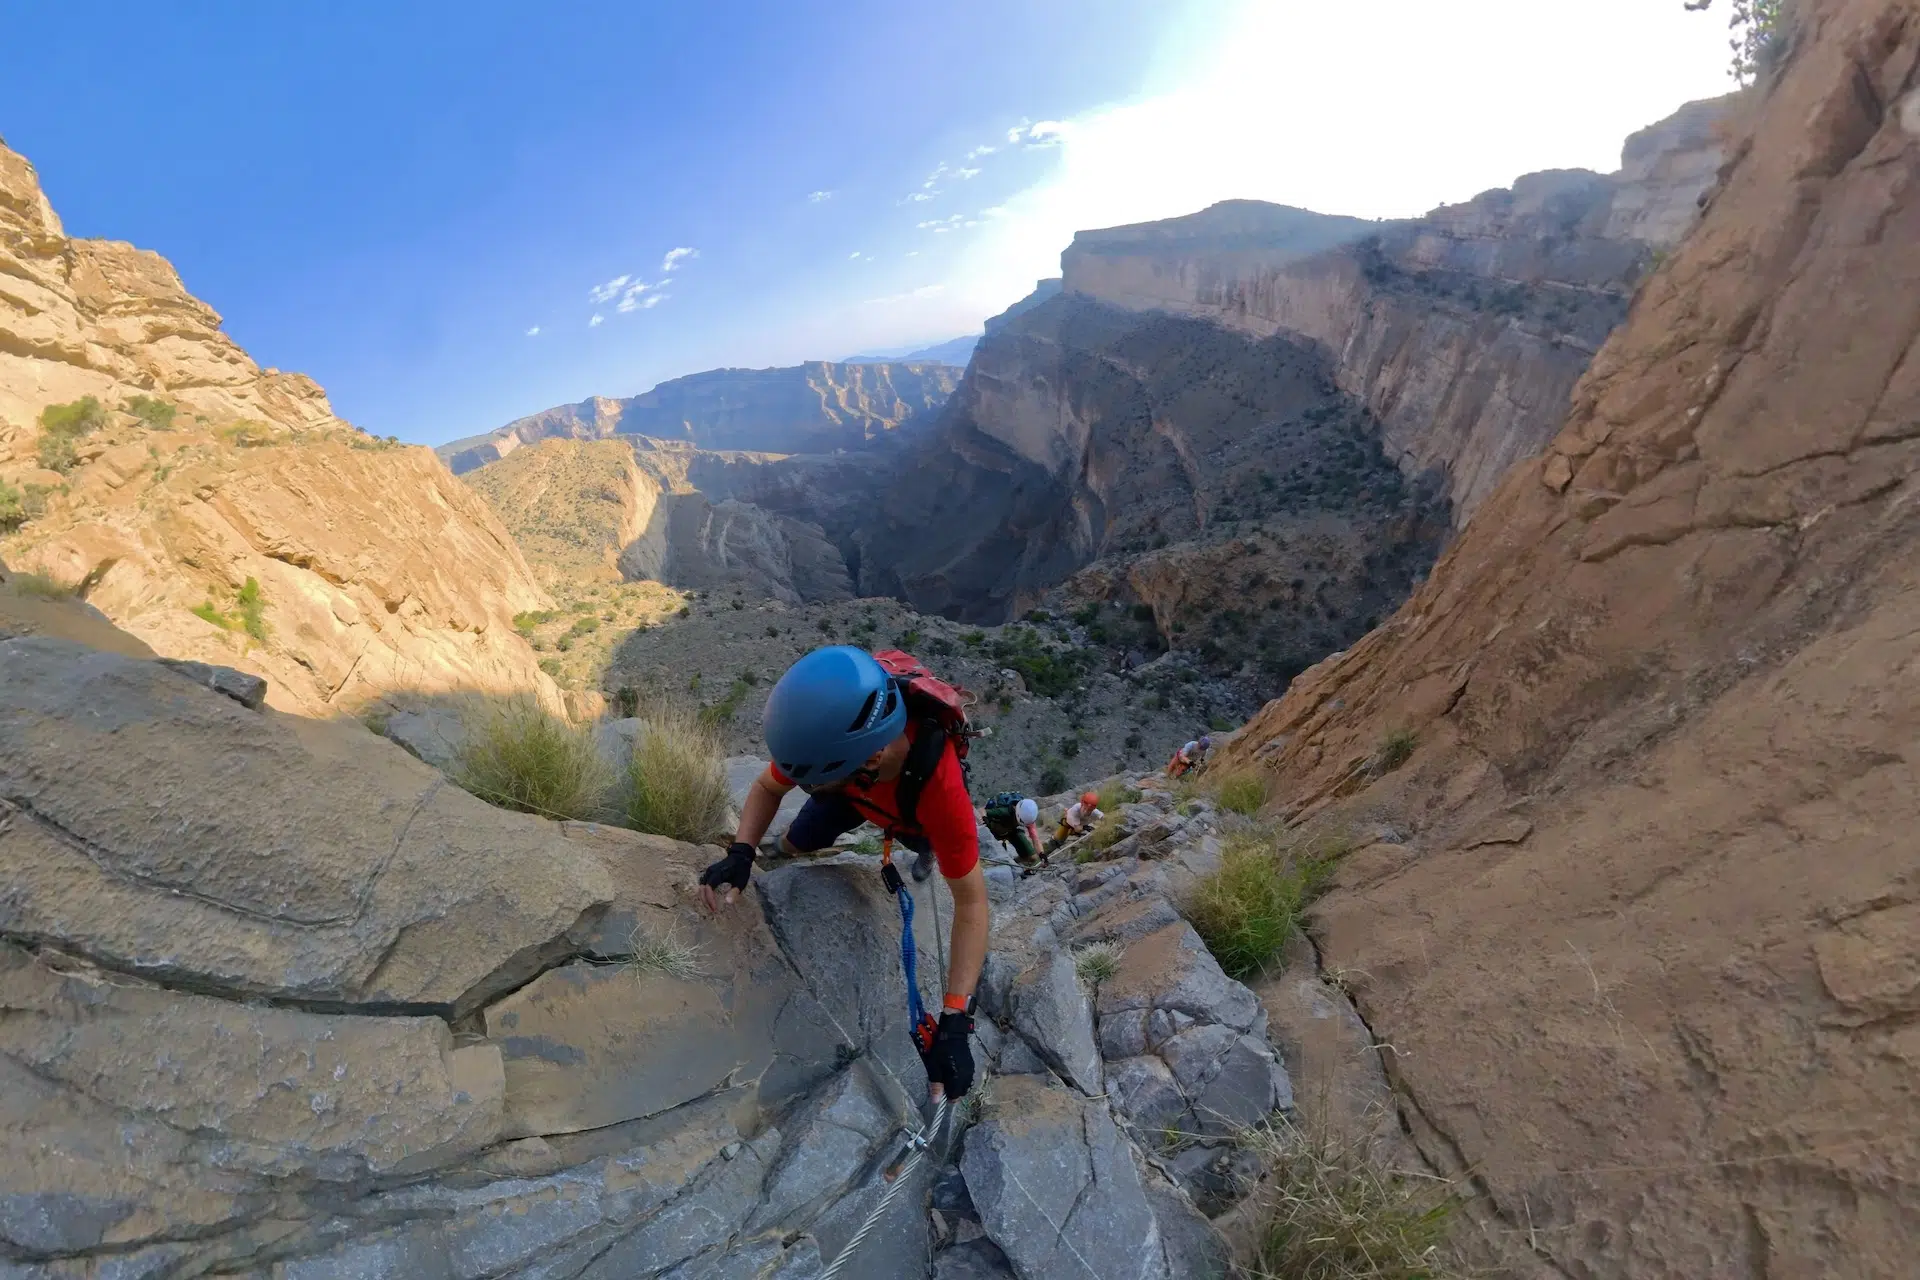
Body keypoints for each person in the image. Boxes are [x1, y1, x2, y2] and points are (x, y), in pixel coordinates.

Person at [697, 645, 986, 1102]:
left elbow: (971, 903)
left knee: (927, 843)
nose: (805, 789)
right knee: (803, 836)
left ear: (867, 761)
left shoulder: (941, 794)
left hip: (912, 815)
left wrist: (955, 1020)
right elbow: (767, 786)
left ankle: (927, 857)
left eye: (812, 784)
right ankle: (789, 849)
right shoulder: (838, 736)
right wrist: (742, 852)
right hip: (858, 798)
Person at [983, 792, 1044, 871]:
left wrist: (1042, 855)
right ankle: (1012, 864)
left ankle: (1014, 863)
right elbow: (982, 811)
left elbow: (1035, 840)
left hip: (1011, 832)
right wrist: (984, 818)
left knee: (1033, 857)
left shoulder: (1028, 818)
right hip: (994, 831)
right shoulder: (1004, 812)